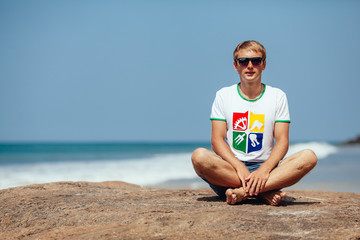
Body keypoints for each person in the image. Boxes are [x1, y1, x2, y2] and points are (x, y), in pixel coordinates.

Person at [191, 40, 318, 206]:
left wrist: (264, 170)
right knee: (199, 157)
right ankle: (264, 191)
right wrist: (239, 167)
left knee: (309, 157)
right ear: (236, 65)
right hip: (232, 169)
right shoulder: (224, 95)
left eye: (256, 61)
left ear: (263, 65)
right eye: (243, 61)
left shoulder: (277, 96)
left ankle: (243, 192)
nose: (249, 66)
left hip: (268, 168)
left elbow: (282, 141)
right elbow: (217, 140)